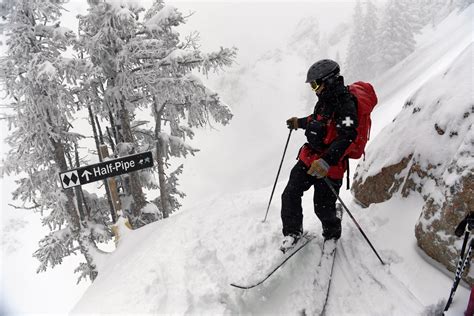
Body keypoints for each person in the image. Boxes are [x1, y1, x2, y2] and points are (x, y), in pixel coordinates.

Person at [280, 59, 358, 253]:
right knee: (290, 193)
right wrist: (300, 122)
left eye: (315, 84)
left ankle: (331, 233)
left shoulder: (346, 105)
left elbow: (348, 136)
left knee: (322, 207)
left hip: (330, 164)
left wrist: (326, 161)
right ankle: (292, 232)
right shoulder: (324, 100)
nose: (313, 89)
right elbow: (318, 121)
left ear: (329, 80)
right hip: (310, 157)